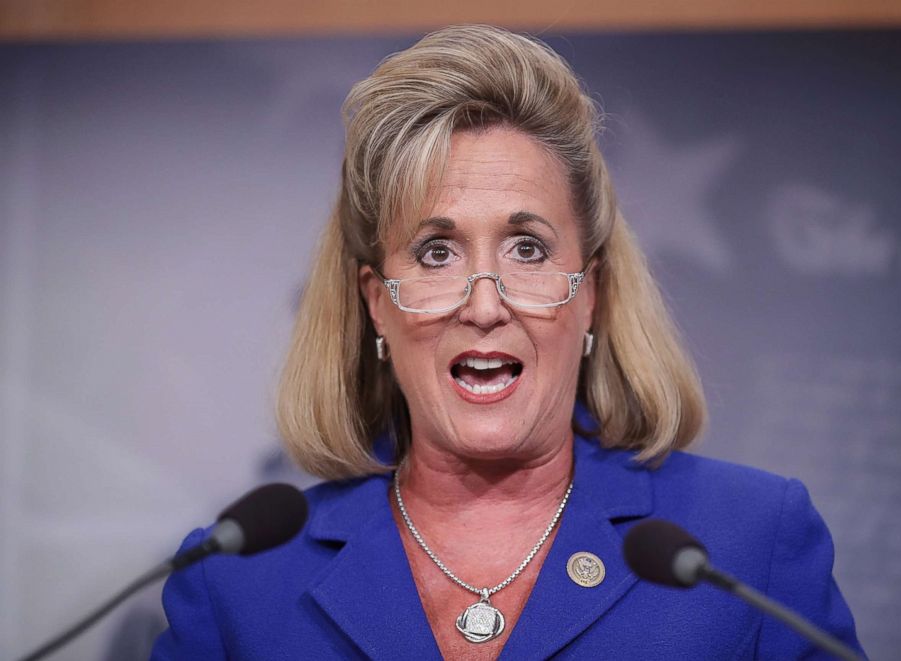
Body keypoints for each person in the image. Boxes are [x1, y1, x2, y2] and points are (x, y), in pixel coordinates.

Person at [152, 25, 862, 660]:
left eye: (527, 248)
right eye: (436, 253)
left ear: (592, 291)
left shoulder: (746, 543)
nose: (485, 305)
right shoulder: (236, 582)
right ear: (376, 303)